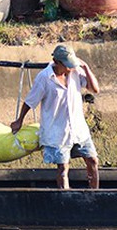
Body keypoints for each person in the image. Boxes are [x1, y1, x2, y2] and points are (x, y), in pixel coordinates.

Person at [10, 44, 101, 189]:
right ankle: (64, 198)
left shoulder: (75, 71)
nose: (70, 68)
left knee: (92, 161)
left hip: (78, 130)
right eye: (67, 65)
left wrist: (86, 68)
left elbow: (94, 89)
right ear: (57, 62)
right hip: (57, 132)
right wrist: (19, 121)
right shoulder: (45, 78)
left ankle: (95, 195)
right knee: (63, 169)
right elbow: (30, 101)